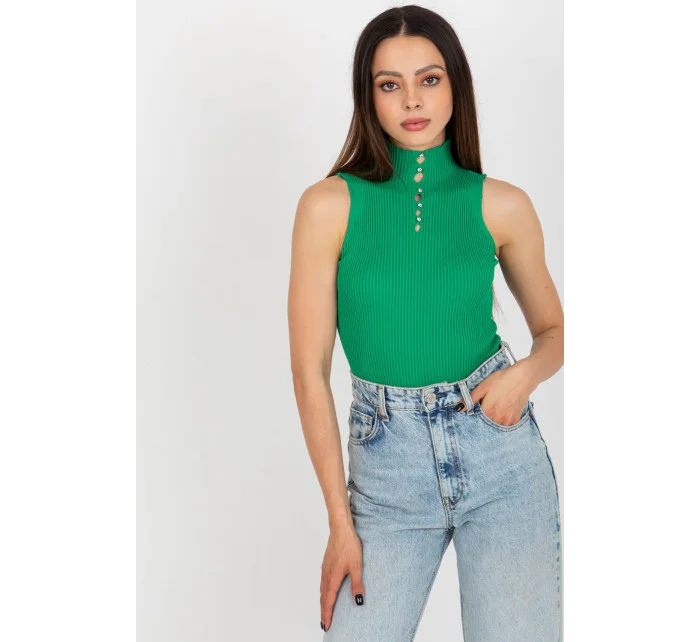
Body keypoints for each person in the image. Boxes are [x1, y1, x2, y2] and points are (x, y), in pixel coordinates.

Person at [287, 5, 563, 641]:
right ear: (368, 96)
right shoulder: (328, 205)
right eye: (390, 84)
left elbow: (555, 332)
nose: (412, 100)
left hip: (500, 457)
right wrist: (339, 522)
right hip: (386, 469)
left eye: (429, 79)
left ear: (454, 85)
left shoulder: (502, 204)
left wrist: (523, 377)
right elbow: (309, 369)